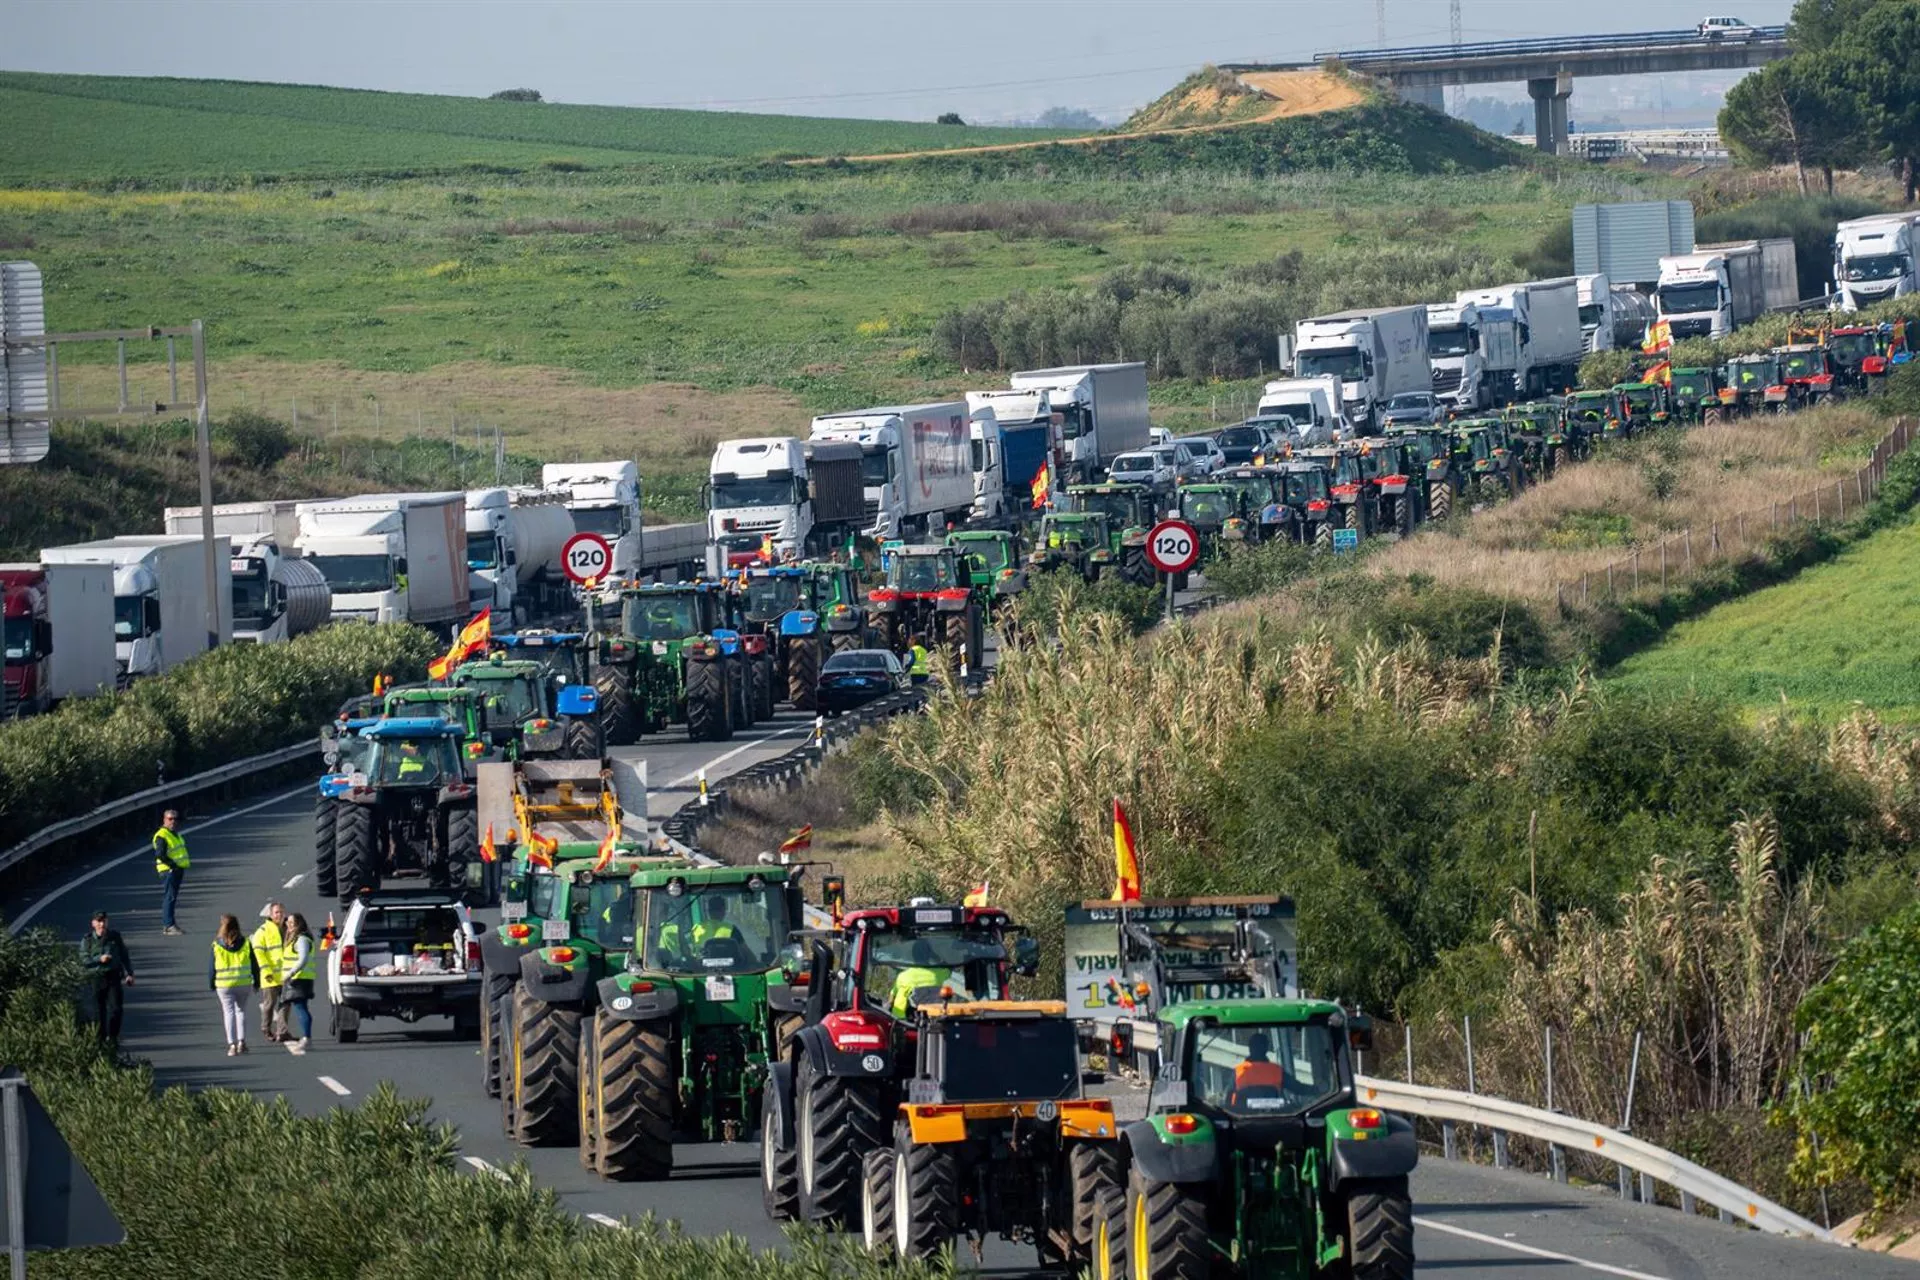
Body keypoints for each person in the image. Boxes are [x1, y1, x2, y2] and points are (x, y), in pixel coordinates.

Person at [79, 911, 134, 1047]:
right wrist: (99, 959)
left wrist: (129, 974)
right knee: (98, 1011)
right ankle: (100, 1040)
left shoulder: (115, 937)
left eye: (104, 921)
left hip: (113, 976)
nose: (101, 924)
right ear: (93, 923)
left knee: (116, 1009)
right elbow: (84, 960)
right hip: (96, 978)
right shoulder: (88, 940)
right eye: (98, 921)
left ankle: (113, 1037)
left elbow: (124, 956)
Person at [208, 914, 259, 1056]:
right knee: (241, 1011)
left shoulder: (216, 945)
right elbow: (255, 965)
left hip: (224, 984)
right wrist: (257, 982)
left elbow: (211, 968)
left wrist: (212, 983)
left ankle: (232, 1045)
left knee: (228, 1012)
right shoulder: (246, 943)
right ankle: (242, 1042)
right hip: (243, 982)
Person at [279, 913, 315, 1056]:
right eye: (287, 922)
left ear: (299, 923)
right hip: (296, 978)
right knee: (300, 1007)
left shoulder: (301, 940)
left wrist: (290, 973)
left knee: (301, 1007)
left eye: (292, 922)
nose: (289, 925)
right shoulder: (293, 939)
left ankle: (307, 1038)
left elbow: (303, 959)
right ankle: (307, 1037)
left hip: (299, 979)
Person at [251, 903, 286, 1042]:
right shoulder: (263, 931)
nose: (279, 915)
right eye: (276, 912)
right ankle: (266, 1028)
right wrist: (266, 970)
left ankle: (282, 1031)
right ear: (270, 915)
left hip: (285, 974)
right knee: (269, 1004)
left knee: (285, 1003)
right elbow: (258, 952)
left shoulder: (287, 928)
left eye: (281, 912)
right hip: (270, 975)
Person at [152, 808, 189, 935]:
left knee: (172, 897)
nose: (173, 821)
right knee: (170, 896)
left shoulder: (175, 834)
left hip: (176, 870)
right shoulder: (162, 835)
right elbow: (160, 854)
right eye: (170, 819)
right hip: (168, 870)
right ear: (164, 820)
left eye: (175, 819)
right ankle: (169, 925)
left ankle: (170, 924)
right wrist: (172, 865)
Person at [1229, 1032, 1285, 1107]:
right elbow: (1298, 1088)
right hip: (1274, 1116)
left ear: (1250, 1048)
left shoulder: (1238, 1071)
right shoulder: (1277, 1071)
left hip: (1242, 1116)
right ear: (1266, 1048)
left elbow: (1228, 1100)